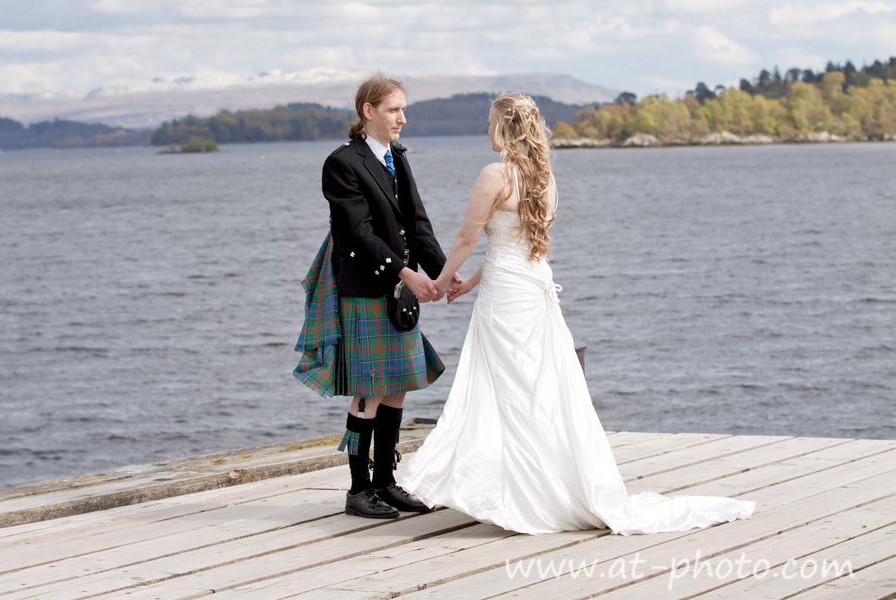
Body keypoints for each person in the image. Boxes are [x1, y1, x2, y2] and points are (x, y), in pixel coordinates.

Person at [397, 93, 756, 535]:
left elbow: (468, 237)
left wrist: (439, 281)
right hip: (531, 288)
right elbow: (519, 248)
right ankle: (531, 488)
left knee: (506, 387)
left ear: (506, 127)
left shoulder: (494, 175)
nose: (487, 130)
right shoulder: (544, 179)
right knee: (538, 386)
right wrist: (467, 283)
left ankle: (525, 494)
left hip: (509, 296)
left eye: (491, 122)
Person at [297, 75, 458, 519]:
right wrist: (406, 272)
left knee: (397, 388)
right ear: (368, 111)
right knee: (368, 390)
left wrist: (444, 274)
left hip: (397, 290)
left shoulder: (397, 158)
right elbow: (358, 233)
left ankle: (386, 481)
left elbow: (417, 224)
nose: (402, 118)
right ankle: (358, 489)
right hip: (366, 287)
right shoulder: (342, 163)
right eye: (393, 110)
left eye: (404, 109)